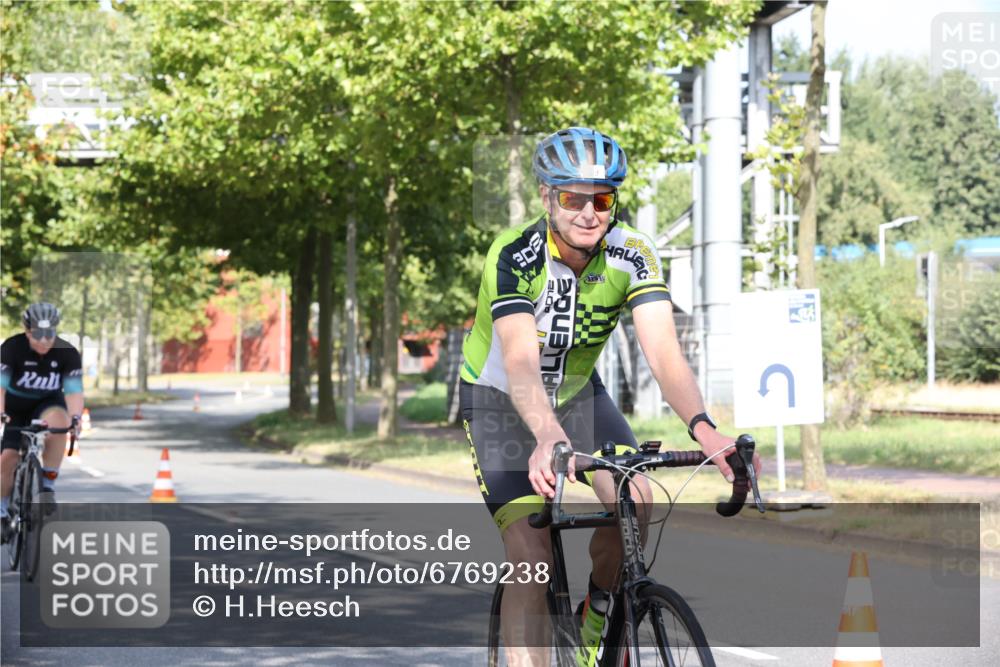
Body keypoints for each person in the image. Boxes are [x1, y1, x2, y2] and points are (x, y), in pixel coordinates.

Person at [459, 127, 761, 666]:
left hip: (576, 395)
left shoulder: (631, 252)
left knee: (635, 498)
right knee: (530, 556)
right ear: (548, 197)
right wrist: (547, 436)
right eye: (572, 199)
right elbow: (522, 362)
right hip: (501, 401)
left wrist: (705, 429)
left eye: (601, 200)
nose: (588, 213)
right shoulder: (514, 254)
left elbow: (663, 352)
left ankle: (595, 618)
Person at [1, 303, 84, 541]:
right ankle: (2, 510)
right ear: (27, 332)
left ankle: (47, 484)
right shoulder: (11, 348)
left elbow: (73, 392)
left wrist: (76, 418)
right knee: (8, 458)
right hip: (15, 407)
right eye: (38, 334)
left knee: (61, 422)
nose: (45, 340)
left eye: (50, 334)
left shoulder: (67, 353)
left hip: (47, 403)